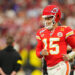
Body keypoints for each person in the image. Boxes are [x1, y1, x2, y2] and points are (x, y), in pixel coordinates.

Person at [36, 5, 75, 75]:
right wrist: (42, 53)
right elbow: (38, 53)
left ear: (56, 17)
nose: (47, 21)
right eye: (46, 19)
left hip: (61, 66)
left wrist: (69, 56)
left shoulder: (65, 30)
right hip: (49, 68)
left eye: (49, 18)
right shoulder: (41, 32)